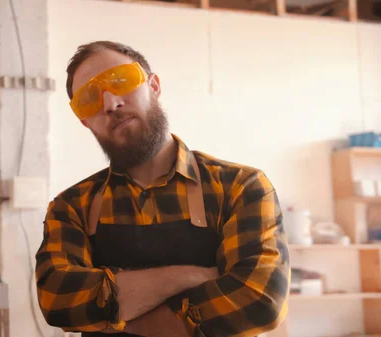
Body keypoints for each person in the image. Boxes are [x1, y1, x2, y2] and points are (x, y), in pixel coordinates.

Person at [35, 41, 290, 337]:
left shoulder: (240, 187)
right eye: (90, 98)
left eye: (121, 80)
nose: (110, 103)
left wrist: (123, 320)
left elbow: (260, 300)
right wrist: (189, 276)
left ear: (154, 85)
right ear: (85, 121)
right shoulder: (72, 207)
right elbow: (58, 302)